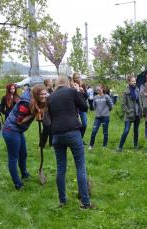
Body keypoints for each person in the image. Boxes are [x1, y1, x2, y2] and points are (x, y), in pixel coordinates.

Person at [44, 76, 94, 209]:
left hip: (56, 134)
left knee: (61, 168)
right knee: (80, 167)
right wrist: (79, 92)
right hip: (72, 131)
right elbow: (85, 107)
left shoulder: (50, 97)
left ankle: (62, 200)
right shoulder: (72, 92)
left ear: (56, 84)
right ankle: (85, 202)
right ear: (67, 84)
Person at [2, 84, 47, 190]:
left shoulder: (35, 100)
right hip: (11, 130)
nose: (44, 96)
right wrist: (34, 114)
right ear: (36, 94)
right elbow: (19, 121)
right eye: (41, 94)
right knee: (13, 157)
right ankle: (18, 183)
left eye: (45, 93)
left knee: (23, 153)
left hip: (18, 130)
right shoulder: (26, 103)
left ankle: (24, 174)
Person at [117, 75, 142, 151]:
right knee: (126, 130)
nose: (134, 82)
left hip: (137, 113)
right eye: (132, 81)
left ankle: (135, 145)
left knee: (136, 130)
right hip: (129, 115)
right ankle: (120, 147)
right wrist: (128, 111)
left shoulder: (137, 90)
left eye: (135, 81)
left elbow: (139, 101)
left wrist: (141, 110)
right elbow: (123, 104)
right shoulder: (126, 91)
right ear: (129, 82)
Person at [88, 84, 113, 150]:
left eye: (99, 90)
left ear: (102, 89)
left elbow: (111, 105)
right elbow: (93, 107)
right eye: (97, 90)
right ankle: (91, 145)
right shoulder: (95, 97)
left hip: (105, 117)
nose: (98, 91)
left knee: (105, 132)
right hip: (98, 117)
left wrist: (107, 111)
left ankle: (104, 146)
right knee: (94, 131)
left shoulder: (106, 96)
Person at [71, 73, 88, 141]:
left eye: (78, 77)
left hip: (82, 106)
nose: (77, 79)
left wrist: (83, 91)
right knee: (76, 124)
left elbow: (86, 96)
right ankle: (76, 139)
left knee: (84, 124)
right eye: (76, 78)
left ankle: (80, 138)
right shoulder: (71, 86)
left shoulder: (83, 85)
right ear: (73, 78)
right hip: (75, 107)